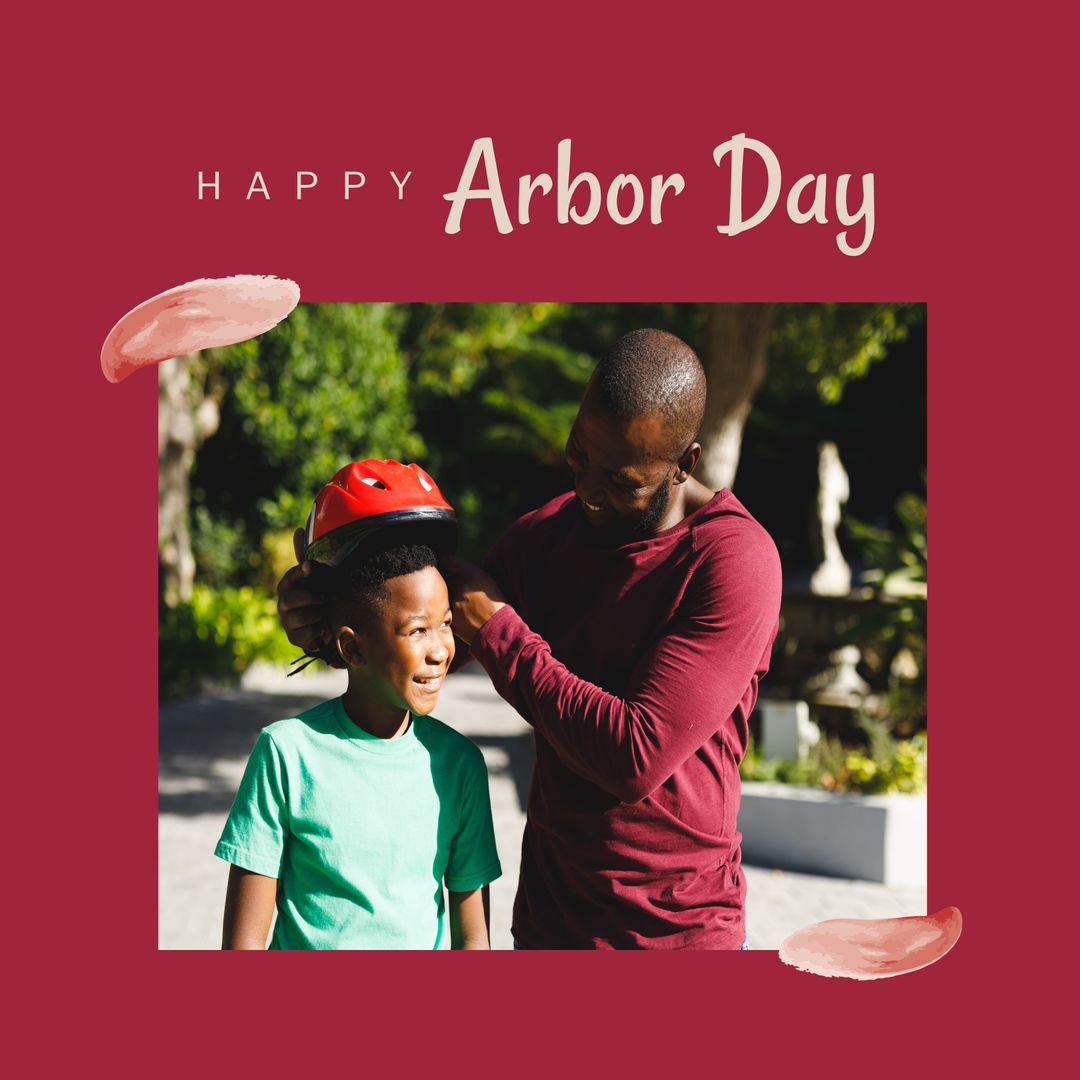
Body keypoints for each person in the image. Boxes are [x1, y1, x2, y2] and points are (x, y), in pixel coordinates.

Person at [278, 330, 781, 949]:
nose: (590, 494)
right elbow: (414, 652)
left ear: (686, 463)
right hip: (551, 925)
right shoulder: (543, 538)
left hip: (679, 936)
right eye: (579, 457)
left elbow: (635, 756)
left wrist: (499, 628)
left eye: (623, 482)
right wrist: (323, 615)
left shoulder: (733, 561)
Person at [218, 462, 502, 949]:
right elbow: (242, 946)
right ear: (352, 649)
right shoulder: (286, 755)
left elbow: (474, 939)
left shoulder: (459, 766)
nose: (441, 649)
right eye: (417, 630)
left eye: (446, 624)